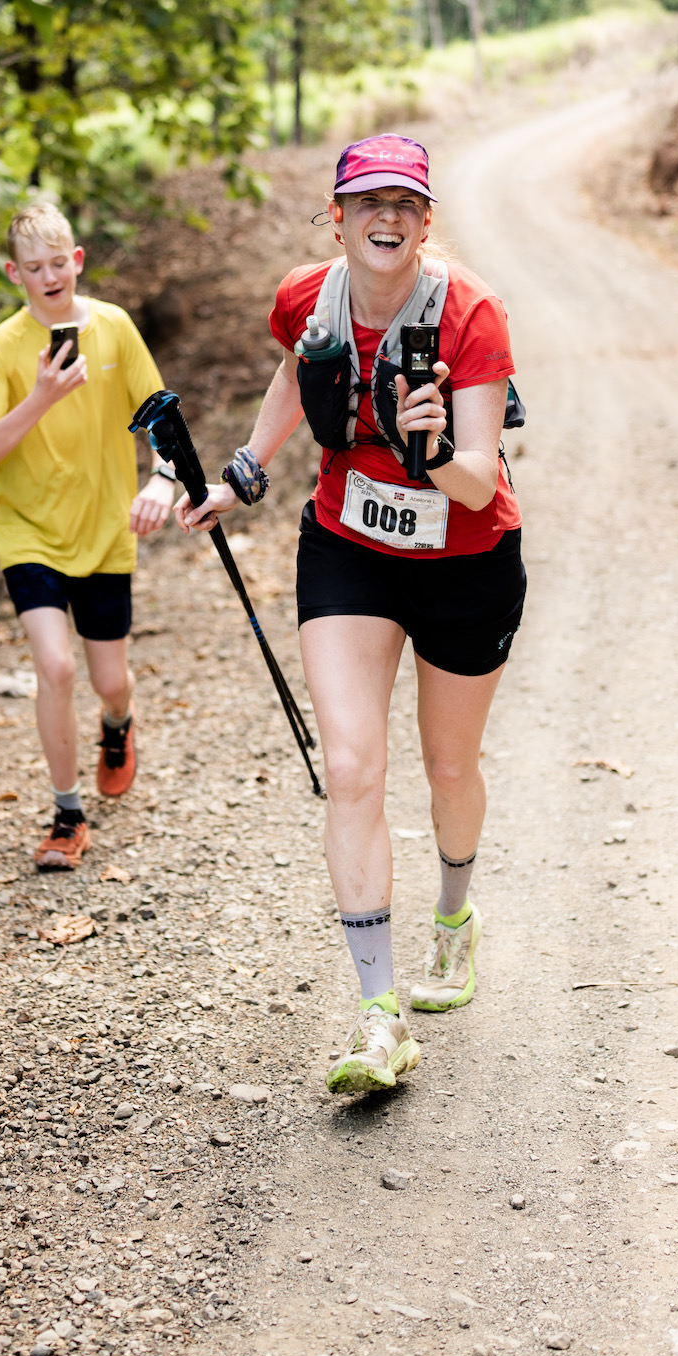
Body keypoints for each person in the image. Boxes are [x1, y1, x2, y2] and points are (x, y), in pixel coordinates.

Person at [178, 134, 523, 1093]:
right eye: (367, 202)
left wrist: (433, 443)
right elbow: (297, 373)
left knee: (450, 765)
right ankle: (381, 1019)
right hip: (350, 550)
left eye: (405, 204)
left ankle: (454, 916)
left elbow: (480, 481)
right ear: (335, 217)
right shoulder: (305, 297)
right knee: (352, 767)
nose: (387, 218)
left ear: (426, 222)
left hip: (466, 555)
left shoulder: (471, 314)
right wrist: (246, 469)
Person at [0, 203, 177, 870]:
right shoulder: (2, 349)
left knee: (108, 680)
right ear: (14, 274)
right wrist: (41, 398)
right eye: (35, 267)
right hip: (26, 530)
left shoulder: (113, 328)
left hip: (107, 529)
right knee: (55, 667)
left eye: (59, 262)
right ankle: (67, 813)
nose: (50, 275)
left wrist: (162, 482)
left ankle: (117, 725)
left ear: (77, 260)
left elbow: (162, 418)